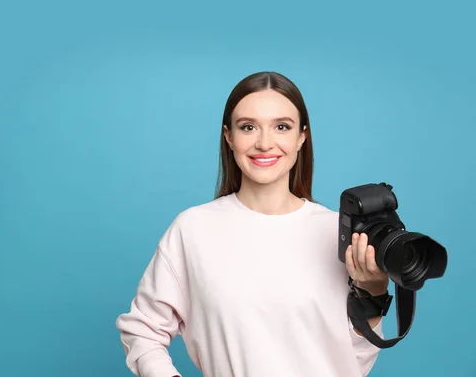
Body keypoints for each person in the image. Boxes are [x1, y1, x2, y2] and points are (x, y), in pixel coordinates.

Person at [115, 71, 389, 377]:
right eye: (248, 127)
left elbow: (353, 359)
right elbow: (142, 331)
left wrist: (374, 293)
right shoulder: (194, 229)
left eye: (281, 127)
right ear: (229, 136)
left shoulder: (338, 233)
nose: (264, 143)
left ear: (301, 137)